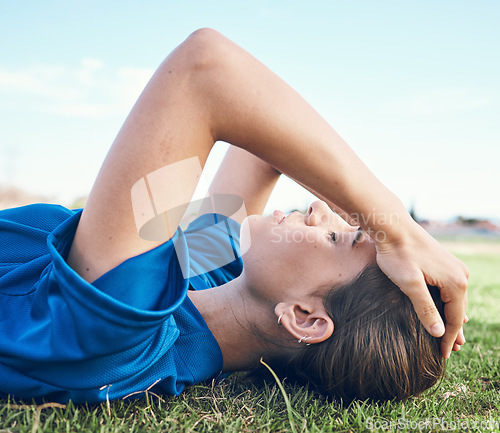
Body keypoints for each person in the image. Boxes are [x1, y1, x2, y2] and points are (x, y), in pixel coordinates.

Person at [0, 28, 468, 403]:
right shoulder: (211, 270)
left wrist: (396, 228)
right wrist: (377, 228)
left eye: (338, 239)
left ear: (304, 318)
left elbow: (204, 72)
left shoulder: (126, 326)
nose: (319, 209)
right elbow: (264, 151)